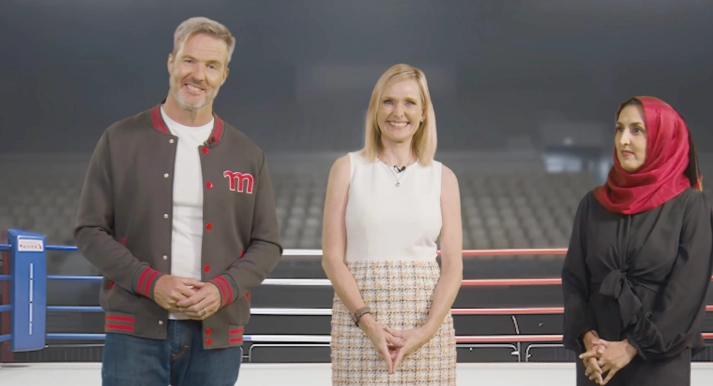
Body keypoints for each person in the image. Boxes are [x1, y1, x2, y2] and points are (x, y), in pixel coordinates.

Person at [74, 17, 283, 386]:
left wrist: (223, 289)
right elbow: (89, 230)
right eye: (189, 60)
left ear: (224, 75)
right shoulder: (119, 139)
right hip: (134, 333)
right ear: (171, 62)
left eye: (212, 66)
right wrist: (150, 282)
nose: (198, 75)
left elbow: (267, 244)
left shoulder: (249, 155)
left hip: (217, 336)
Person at [321, 63, 463, 385]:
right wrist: (367, 322)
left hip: (427, 329)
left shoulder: (444, 177)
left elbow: (453, 266)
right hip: (358, 325)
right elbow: (332, 258)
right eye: (388, 101)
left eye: (409, 102)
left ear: (423, 113)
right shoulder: (346, 168)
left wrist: (426, 331)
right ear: (375, 109)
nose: (398, 112)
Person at [561, 96, 713, 386]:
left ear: (663, 138)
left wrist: (632, 346)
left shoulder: (690, 206)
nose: (624, 140)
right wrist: (588, 338)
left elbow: (687, 293)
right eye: (619, 129)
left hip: (658, 360)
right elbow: (574, 280)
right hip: (597, 361)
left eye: (637, 130)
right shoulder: (592, 204)